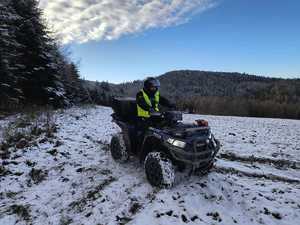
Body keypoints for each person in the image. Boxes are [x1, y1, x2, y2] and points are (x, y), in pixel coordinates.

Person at [135, 77, 175, 152]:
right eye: (153, 87)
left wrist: (171, 104)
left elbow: (163, 100)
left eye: (156, 87)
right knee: (143, 133)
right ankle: (139, 149)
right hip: (143, 117)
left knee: (166, 128)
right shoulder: (140, 94)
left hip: (155, 116)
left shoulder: (156, 94)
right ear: (148, 87)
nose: (155, 89)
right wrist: (149, 108)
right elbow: (141, 103)